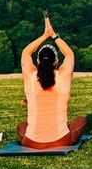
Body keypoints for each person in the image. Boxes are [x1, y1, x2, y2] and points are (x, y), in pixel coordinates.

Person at [18, 16, 86, 149]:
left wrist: (44, 36)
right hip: (61, 141)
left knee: (21, 126)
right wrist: (54, 36)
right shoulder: (61, 78)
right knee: (81, 120)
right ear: (56, 62)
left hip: (32, 142)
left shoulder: (31, 78)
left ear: (38, 61)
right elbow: (69, 54)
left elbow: (26, 53)